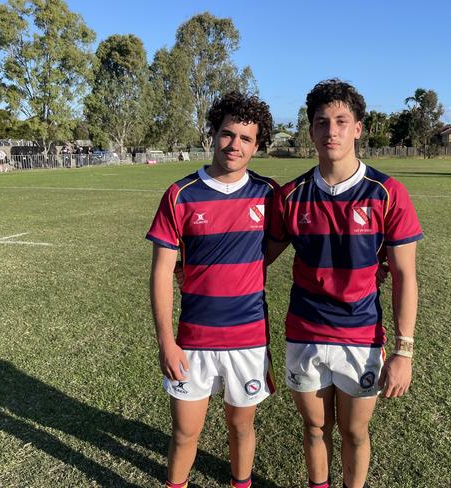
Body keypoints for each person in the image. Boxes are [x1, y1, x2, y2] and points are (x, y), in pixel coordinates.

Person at [267, 79, 422, 488]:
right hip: (305, 332)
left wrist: (404, 351)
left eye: (341, 121)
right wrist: (192, 267)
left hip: (360, 334)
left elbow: (405, 276)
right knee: (315, 429)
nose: (330, 131)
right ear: (311, 130)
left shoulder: (387, 193)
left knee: (355, 432)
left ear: (357, 128)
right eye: (321, 122)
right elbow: (258, 259)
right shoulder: (291, 196)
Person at [147, 92, 275, 488]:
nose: (234, 145)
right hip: (193, 340)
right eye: (227, 134)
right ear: (213, 134)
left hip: (248, 338)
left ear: (257, 146)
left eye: (246, 138)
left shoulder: (269, 194)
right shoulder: (181, 194)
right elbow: (161, 273)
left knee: (241, 427)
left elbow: (286, 242)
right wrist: (166, 341)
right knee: (185, 432)